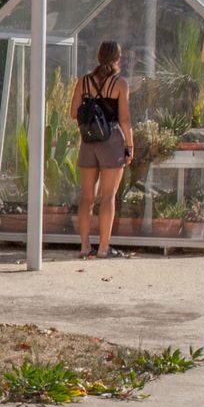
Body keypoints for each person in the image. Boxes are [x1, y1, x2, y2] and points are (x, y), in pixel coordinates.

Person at [69, 41, 134, 259]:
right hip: (112, 141)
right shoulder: (120, 84)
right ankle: (104, 248)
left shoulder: (83, 82)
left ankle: (85, 247)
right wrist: (130, 145)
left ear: (98, 57)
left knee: (86, 197)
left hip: (88, 142)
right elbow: (124, 118)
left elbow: (72, 113)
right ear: (117, 59)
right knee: (108, 197)